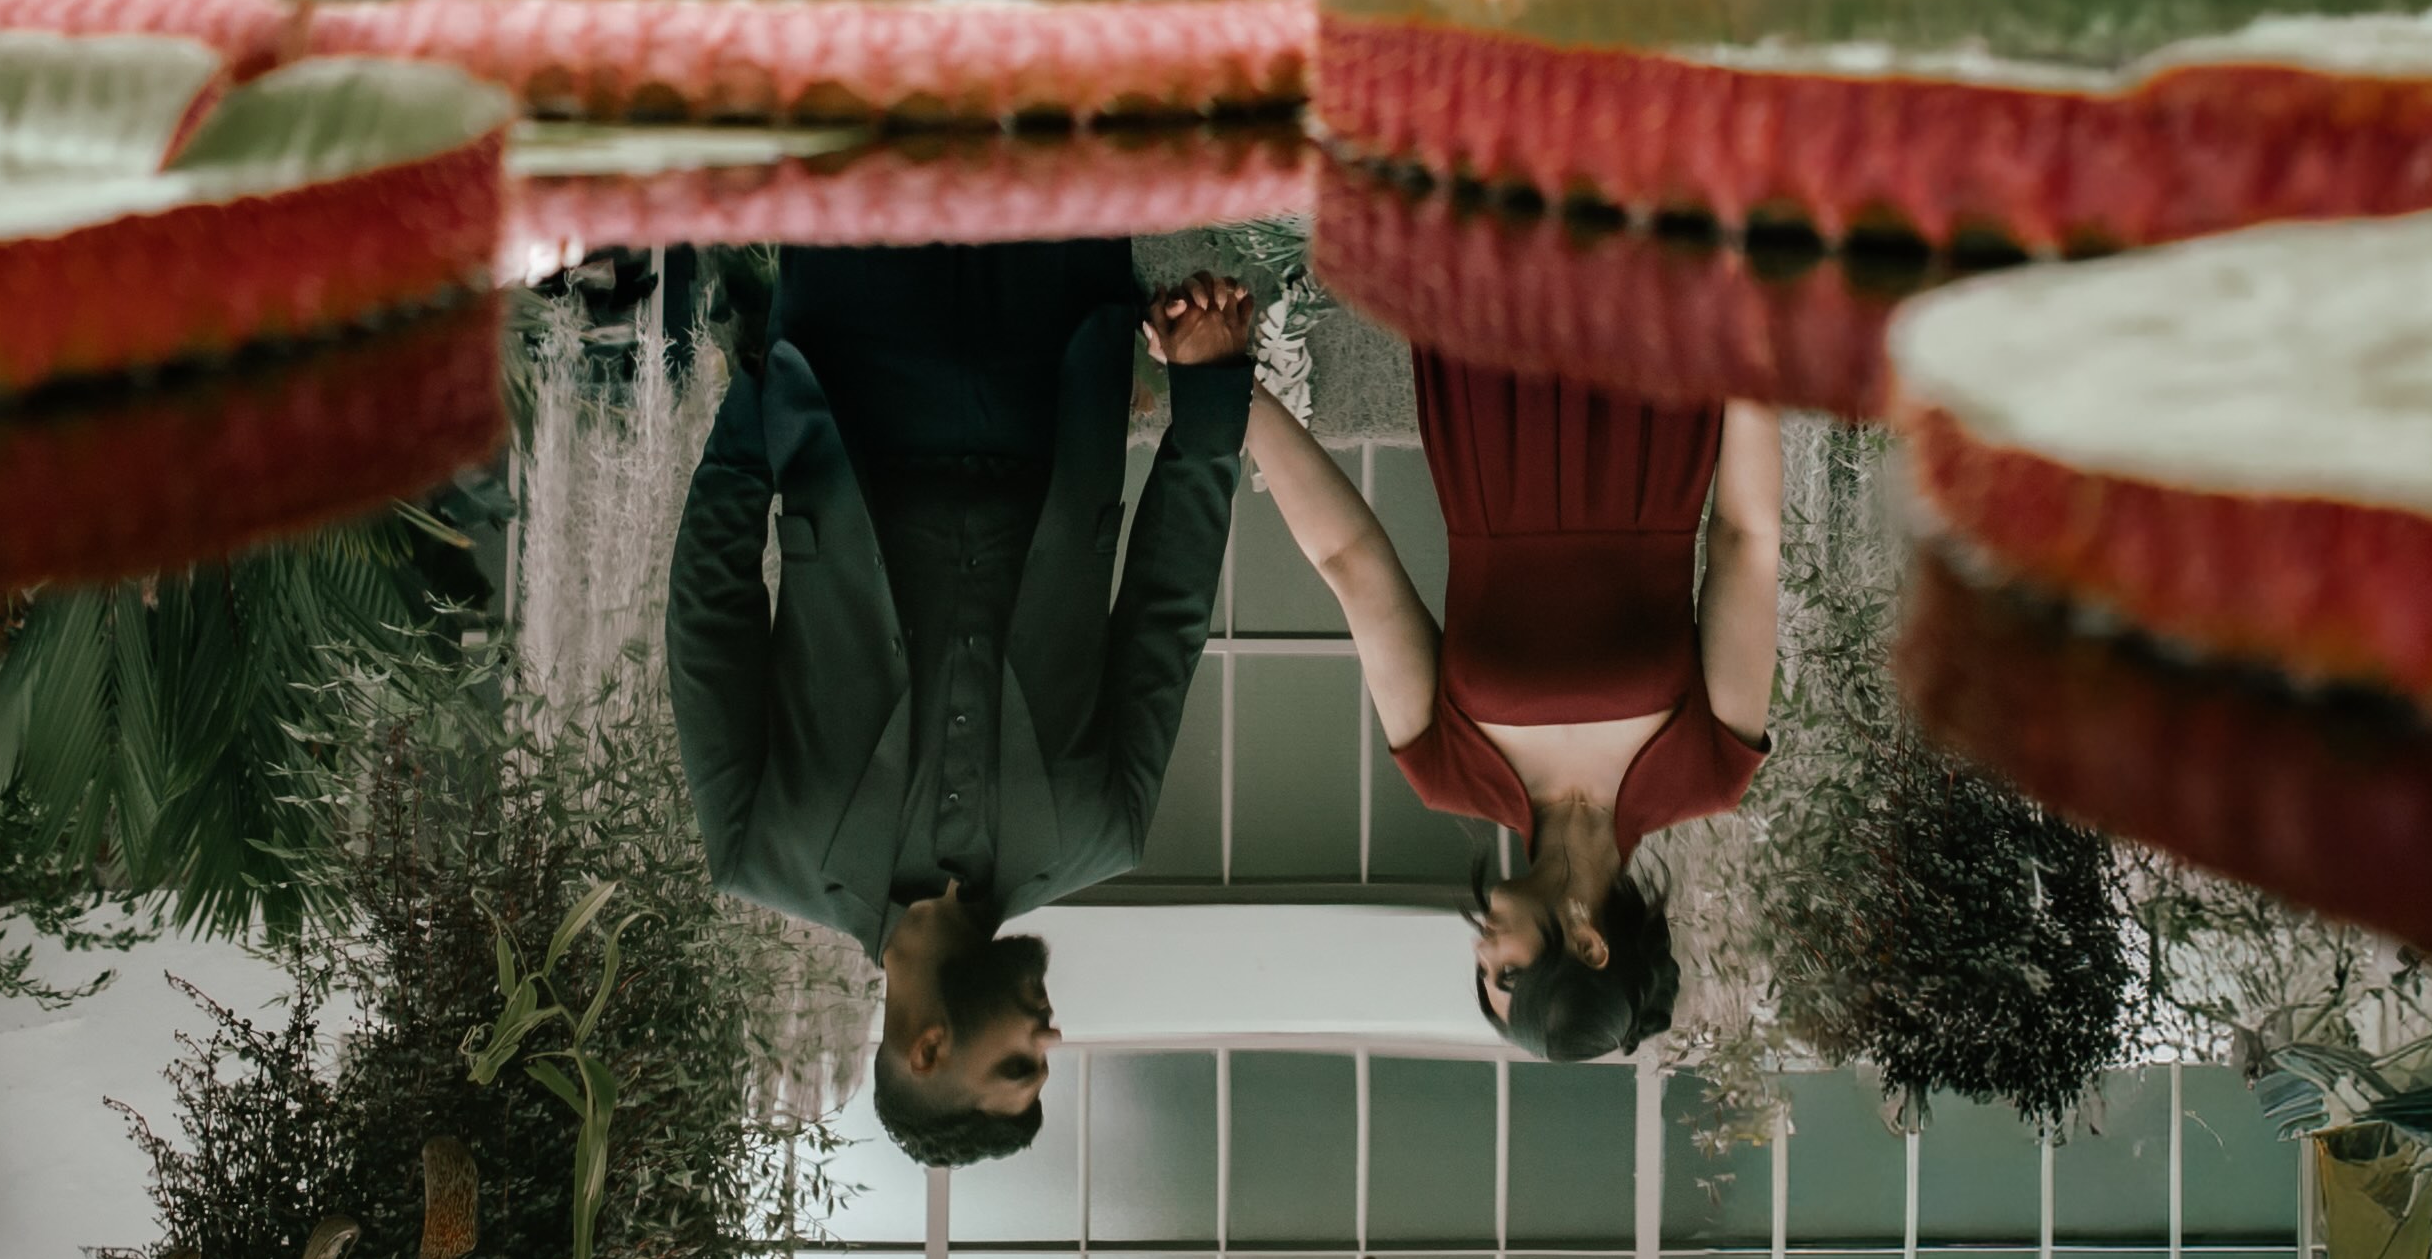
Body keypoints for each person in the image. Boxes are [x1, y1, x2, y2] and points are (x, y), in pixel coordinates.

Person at [667, 252, 1266, 1166]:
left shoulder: (762, 848)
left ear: (931, 1047)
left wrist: (758, 406)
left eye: (1019, 1067)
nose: (1049, 1042)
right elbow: (1165, 616)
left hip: (847, 368)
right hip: (1056, 359)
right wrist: (1212, 396)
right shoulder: (1102, 832)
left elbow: (711, 619)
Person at [1241, 352, 1788, 1060]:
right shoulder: (1710, 771)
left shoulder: (1443, 771)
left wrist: (1234, 389)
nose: (1480, 946)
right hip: (1654, 407)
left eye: (1481, 972)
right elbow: (1746, 540)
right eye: (1506, 971)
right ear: (1589, 944)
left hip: (1486, 413)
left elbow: (1351, 559)